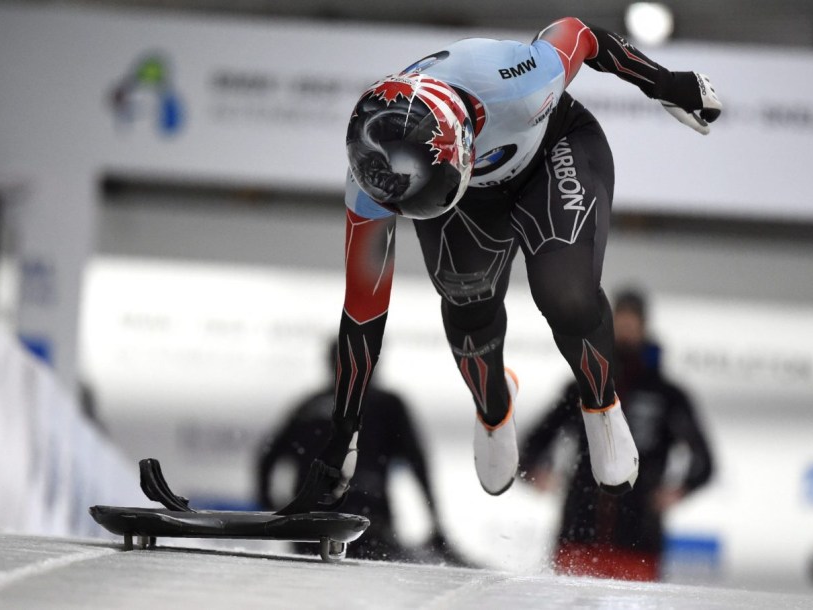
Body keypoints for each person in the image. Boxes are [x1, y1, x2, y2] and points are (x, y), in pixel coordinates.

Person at [284, 17, 722, 514]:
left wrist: (667, 84)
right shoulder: (370, 180)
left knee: (566, 294)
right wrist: (344, 434)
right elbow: (363, 311)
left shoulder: (519, 82)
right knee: (466, 296)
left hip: (553, 150)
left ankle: (600, 402)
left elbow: (583, 35)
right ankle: (493, 409)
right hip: (468, 194)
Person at [520, 288, 715, 581]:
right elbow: (536, 439)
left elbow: (704, 461)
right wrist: (536, 471)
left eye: (631, 324)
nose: (625, 331)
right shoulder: (582, 387)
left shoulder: (667, 395)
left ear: (644, 328)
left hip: (638, 538)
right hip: (579, 531)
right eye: (619, 322)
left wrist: (678, 490)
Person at [257, 339, 467, 563]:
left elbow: (268, 457)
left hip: (310, 524)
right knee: (367, 586)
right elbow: (418, 463)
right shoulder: (388, 404)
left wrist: (275, 507)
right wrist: (434, 520)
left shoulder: (309, 405)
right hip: (367, 521)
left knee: (313, 587)